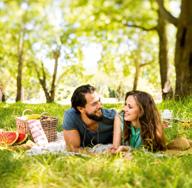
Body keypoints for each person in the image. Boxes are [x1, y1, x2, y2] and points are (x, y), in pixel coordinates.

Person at [63, 84, 117, 151]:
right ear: (81, 109)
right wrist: (97, 155)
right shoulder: (71, 116)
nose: (100, 106)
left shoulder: (113, 117)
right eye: (94, 104)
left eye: (99, 101)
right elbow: (73, 148)